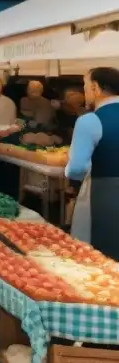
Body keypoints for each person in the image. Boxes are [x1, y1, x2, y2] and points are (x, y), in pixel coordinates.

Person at [66, 68, 119, 258]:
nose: (85, 91)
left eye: (85, 86)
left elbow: (76, 168)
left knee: (99, 255)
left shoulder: (90, 120)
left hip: (102, 191)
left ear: (96, 88)